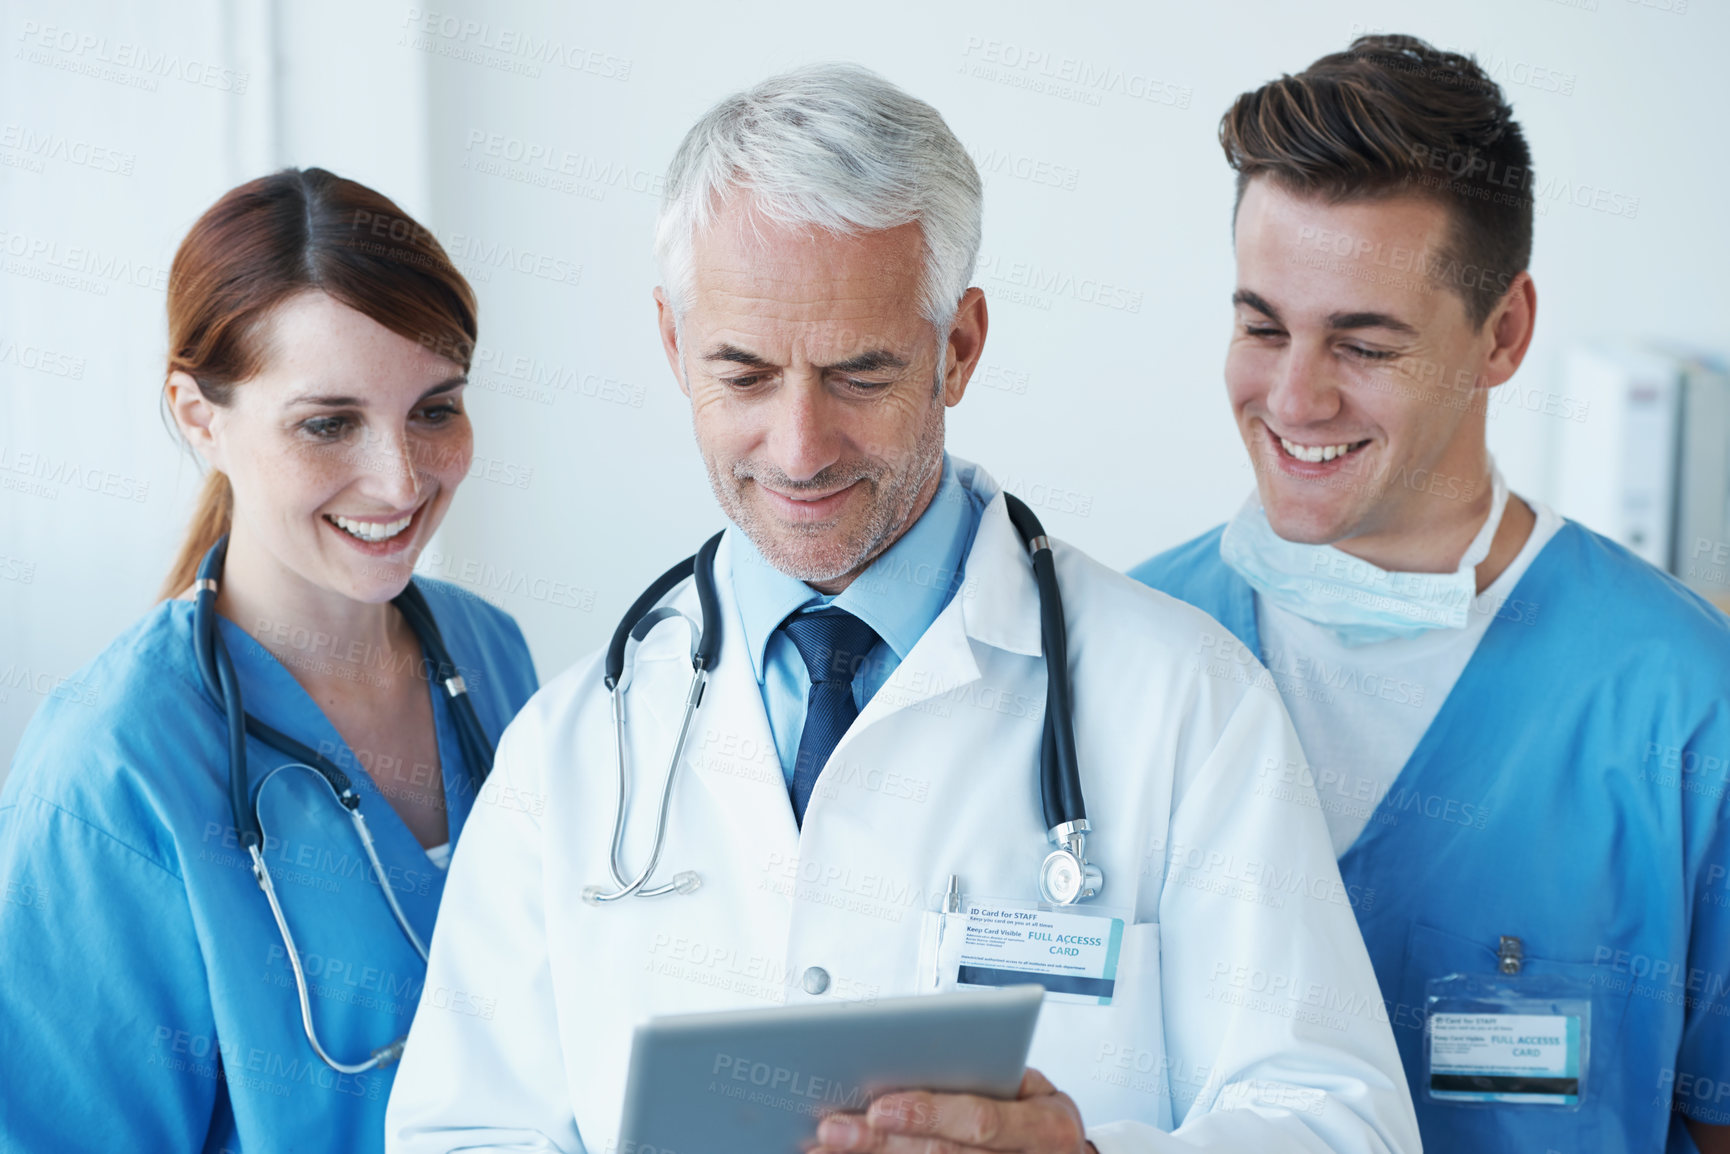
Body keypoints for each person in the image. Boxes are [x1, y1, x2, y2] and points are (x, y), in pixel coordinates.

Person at [386, 64, 1419, 1154]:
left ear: (958, 348)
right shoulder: (571, 752)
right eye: (741, 375)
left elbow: (1341, 1123)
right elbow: (459, 1131)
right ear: (670, 343)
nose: (797, 447)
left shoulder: (1185, 704)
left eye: (858, 373)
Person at [1131, 34, 1730, 1154]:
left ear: (1501, 332)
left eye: (1362, 344)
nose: (1293, 396)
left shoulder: (1682, 707)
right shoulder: (1116, 653)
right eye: (1260, 325)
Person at [0, 168, 539, 1152]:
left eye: (434, 408)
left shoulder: (490, 655)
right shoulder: (107, 772)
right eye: (327, 423)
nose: (401, 477)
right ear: (200, 415)